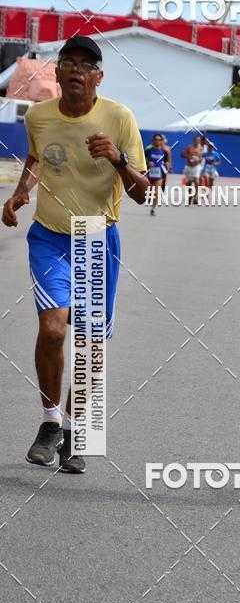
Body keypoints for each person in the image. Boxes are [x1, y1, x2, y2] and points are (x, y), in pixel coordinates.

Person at [1, 35, 148, 473]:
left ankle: (74, 431)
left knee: (89, 346)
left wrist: (118, 160)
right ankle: (50, 422)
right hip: (49, 234)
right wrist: (19, 192)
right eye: (69, 62)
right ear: (58, 72)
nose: (77, 70)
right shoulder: (40, 116)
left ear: (99, 76)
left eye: (87, 65)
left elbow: (143, 192)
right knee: (53, 328)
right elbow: (36, 157)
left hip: (96, 236)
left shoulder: (120, 117)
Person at [145, 133, 169, 216]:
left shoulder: (164, 151)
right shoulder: (148, 150)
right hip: (149, 173)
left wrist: (167, 168)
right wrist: (148, 163)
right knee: (149, 190)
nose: (157, 141)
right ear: (153, 141)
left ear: (162, 141)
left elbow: (167, 162)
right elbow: (142, 160)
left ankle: (153, 208)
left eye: (159, 140)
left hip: (159, 174)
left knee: (156, 191)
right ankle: (149, 198)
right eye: (156, 139)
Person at [181, 136, 204, 202]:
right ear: (193, 140)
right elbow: (182, 154)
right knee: (189, 182)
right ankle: (190, 194)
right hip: (188, 166)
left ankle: (196, 197)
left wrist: (198, 159)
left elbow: (201, 158)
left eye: (199, 140)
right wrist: (189, 157)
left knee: (196, 181)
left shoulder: (201, 148)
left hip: (196, 167)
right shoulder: (189, 147)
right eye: (196, 140)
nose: (197, 141)